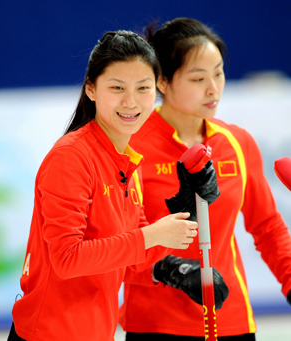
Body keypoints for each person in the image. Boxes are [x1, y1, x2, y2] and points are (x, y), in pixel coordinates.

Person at [7, 30, 202, 341]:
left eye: (143, 88)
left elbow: (134, 261)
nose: (131, 101)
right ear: (91, 89)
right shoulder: (71, 158)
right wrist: (151, 235)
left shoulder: (127, 161)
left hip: (97, 331)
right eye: (117, 87)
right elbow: (67, 259)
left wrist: (177, 226)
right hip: (49, 333)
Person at [119, 18, 291, 340]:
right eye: (198, 78)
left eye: (219, 73)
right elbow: (119, 245)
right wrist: (176, 271)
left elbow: (267, 227)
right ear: (162, 82)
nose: (213, 89)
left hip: (232, 321)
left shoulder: (237, 143)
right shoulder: (130, 149)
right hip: (156, 324)